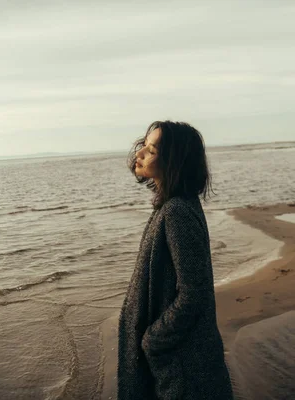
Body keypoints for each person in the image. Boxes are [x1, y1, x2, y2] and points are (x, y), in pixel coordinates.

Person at [117, 121, 234, 399]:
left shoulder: (177, 212)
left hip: (182, 368)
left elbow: (194, 293)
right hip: (179, 361)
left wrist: (154, 340)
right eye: (143, 144)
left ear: (174, 162)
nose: (141, 152)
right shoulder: (174, 205)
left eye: (152, 149)